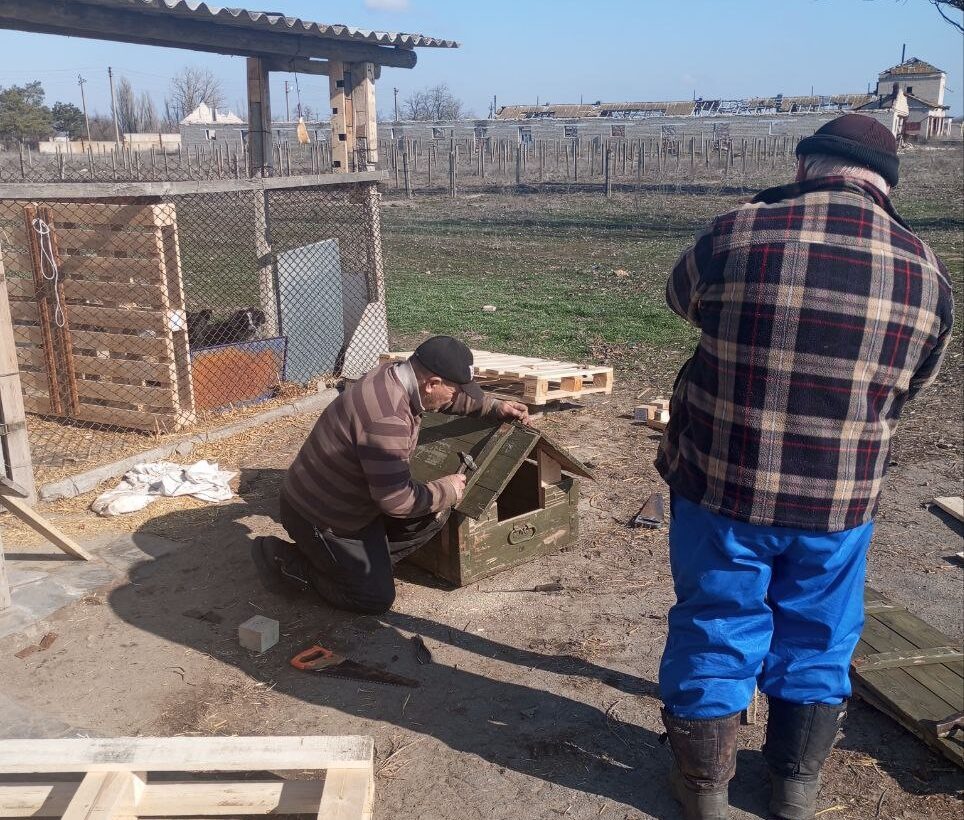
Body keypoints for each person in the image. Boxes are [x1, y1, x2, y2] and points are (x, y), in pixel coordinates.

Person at [654, 114, 953, 820]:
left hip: (723, 485)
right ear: (887, 185)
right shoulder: (928, 272)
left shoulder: (735, 232)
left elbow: (679, 300)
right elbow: (917, 381)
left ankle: (704, 788)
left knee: (717, 623)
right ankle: (795, 789)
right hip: (839, 501)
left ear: (802, 167)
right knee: (820, 634)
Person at [252, 335, 529, 614]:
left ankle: (360, 563)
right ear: (432, 383)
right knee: (374, 598)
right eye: (456, 391)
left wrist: (495, 407)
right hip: (320, 518)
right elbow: (396, 501)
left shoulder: (393, 375)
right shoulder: (388, 419)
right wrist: (447, 490)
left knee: (431, 514)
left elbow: (443, 402)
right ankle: (293, 562)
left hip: (342, 501)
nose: (457, 398)